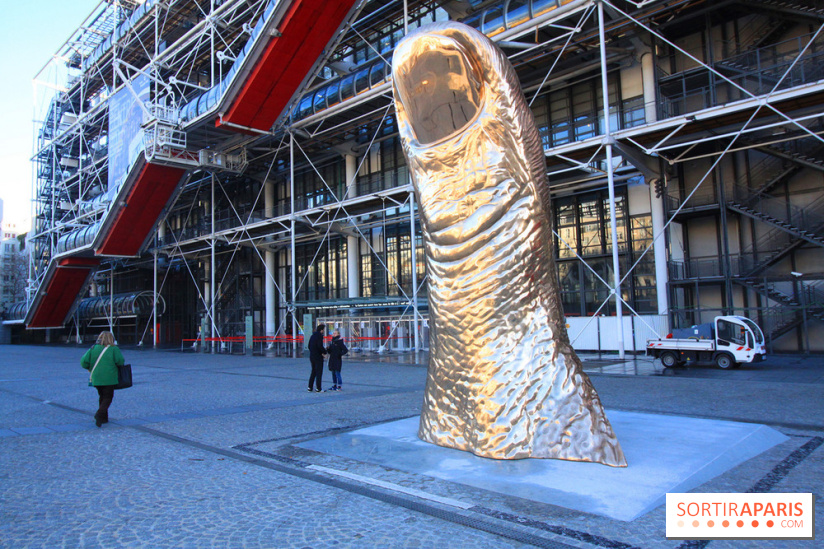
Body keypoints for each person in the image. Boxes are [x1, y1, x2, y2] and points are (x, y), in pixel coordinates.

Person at [80, 331, 125, 427]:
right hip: (109, 378)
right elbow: (120, 361)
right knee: (108, 397)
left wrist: (90, 368)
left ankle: (104, 418)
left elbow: (83, 362)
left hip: (96, 378)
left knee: (102, 396)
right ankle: (99, 414)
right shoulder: (114, 349)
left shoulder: (93, 348)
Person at [307, 324, 327, 392]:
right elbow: (320, 346)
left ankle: (310, 387)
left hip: (312, 356)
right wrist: (324, 352)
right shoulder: (319, 336)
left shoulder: (312, 335)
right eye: (323, 329)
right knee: (319, 372)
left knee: (313, 371)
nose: (323, 331)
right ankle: (318, 388)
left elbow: (309, 345)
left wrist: (313, 351)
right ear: (321, 330)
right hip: (318, 356)